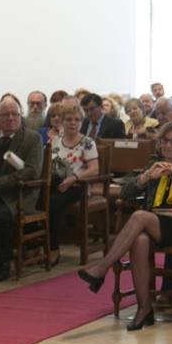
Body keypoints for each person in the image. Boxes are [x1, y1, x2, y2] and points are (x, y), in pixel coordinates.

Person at [76, 120, 172, 331]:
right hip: (153, 222)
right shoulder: (153, 163)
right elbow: (125, 193)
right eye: (164, 141)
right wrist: (145, 177)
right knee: (140, 241)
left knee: (139, 216)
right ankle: (144, 309)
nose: (168, 146)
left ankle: (102, 267)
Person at [0, 98, 42, 281]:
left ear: (21, 116)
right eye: (6, 115)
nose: (11, 118)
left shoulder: (31, 138)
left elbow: (32, 170)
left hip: (16, 195)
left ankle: (3, 263)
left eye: (15, 114)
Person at [46, 100, 100, 265]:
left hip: (78, 186)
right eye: (69, 119)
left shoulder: (88, 143)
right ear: (62, 121)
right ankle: (34, 247)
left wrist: (73, 178)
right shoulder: (54, 141)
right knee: (38, 198)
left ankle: (54, 248)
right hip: (55, 183)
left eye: (77, 120)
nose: (73, 123)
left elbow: (94, 169)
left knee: (53, 202)